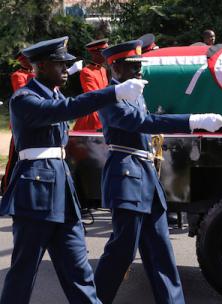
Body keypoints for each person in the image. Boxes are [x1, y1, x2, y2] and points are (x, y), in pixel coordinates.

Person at [0, 36, 146, 304]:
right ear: (41, 66)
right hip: (34, 197)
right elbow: (66, 109)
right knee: (22, 275)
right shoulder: (24, 99)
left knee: (80, 273)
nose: (66, 69)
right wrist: (113, 92)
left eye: (67, 64)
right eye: (60, 64)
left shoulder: (54, 96)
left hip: (63, 196)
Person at [94, 40, 222, 304]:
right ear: (116, 68)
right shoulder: (109, 98)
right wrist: (193, 120)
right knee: (122, 251)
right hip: (127, 178)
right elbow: (142, 123)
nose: (139, 72)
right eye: (133, 67)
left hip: (146, 180)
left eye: (140, 66)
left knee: (160, 251)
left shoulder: (133, 93)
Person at [1, 51, 36, 195]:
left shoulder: (36, 74)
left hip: (36, 123)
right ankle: (6, 187)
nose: (29, 62)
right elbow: (23, 92)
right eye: (26, 60)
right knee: (14, 157)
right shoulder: (18, 75)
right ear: (21, 61)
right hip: (21, 124)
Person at [73, 38, 109, 131]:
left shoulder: (103, 70)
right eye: (104, 51)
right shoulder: (86, 71)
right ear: (95, 53)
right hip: (93, 116)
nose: (107, 55)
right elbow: (94, 95)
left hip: (104, 112)